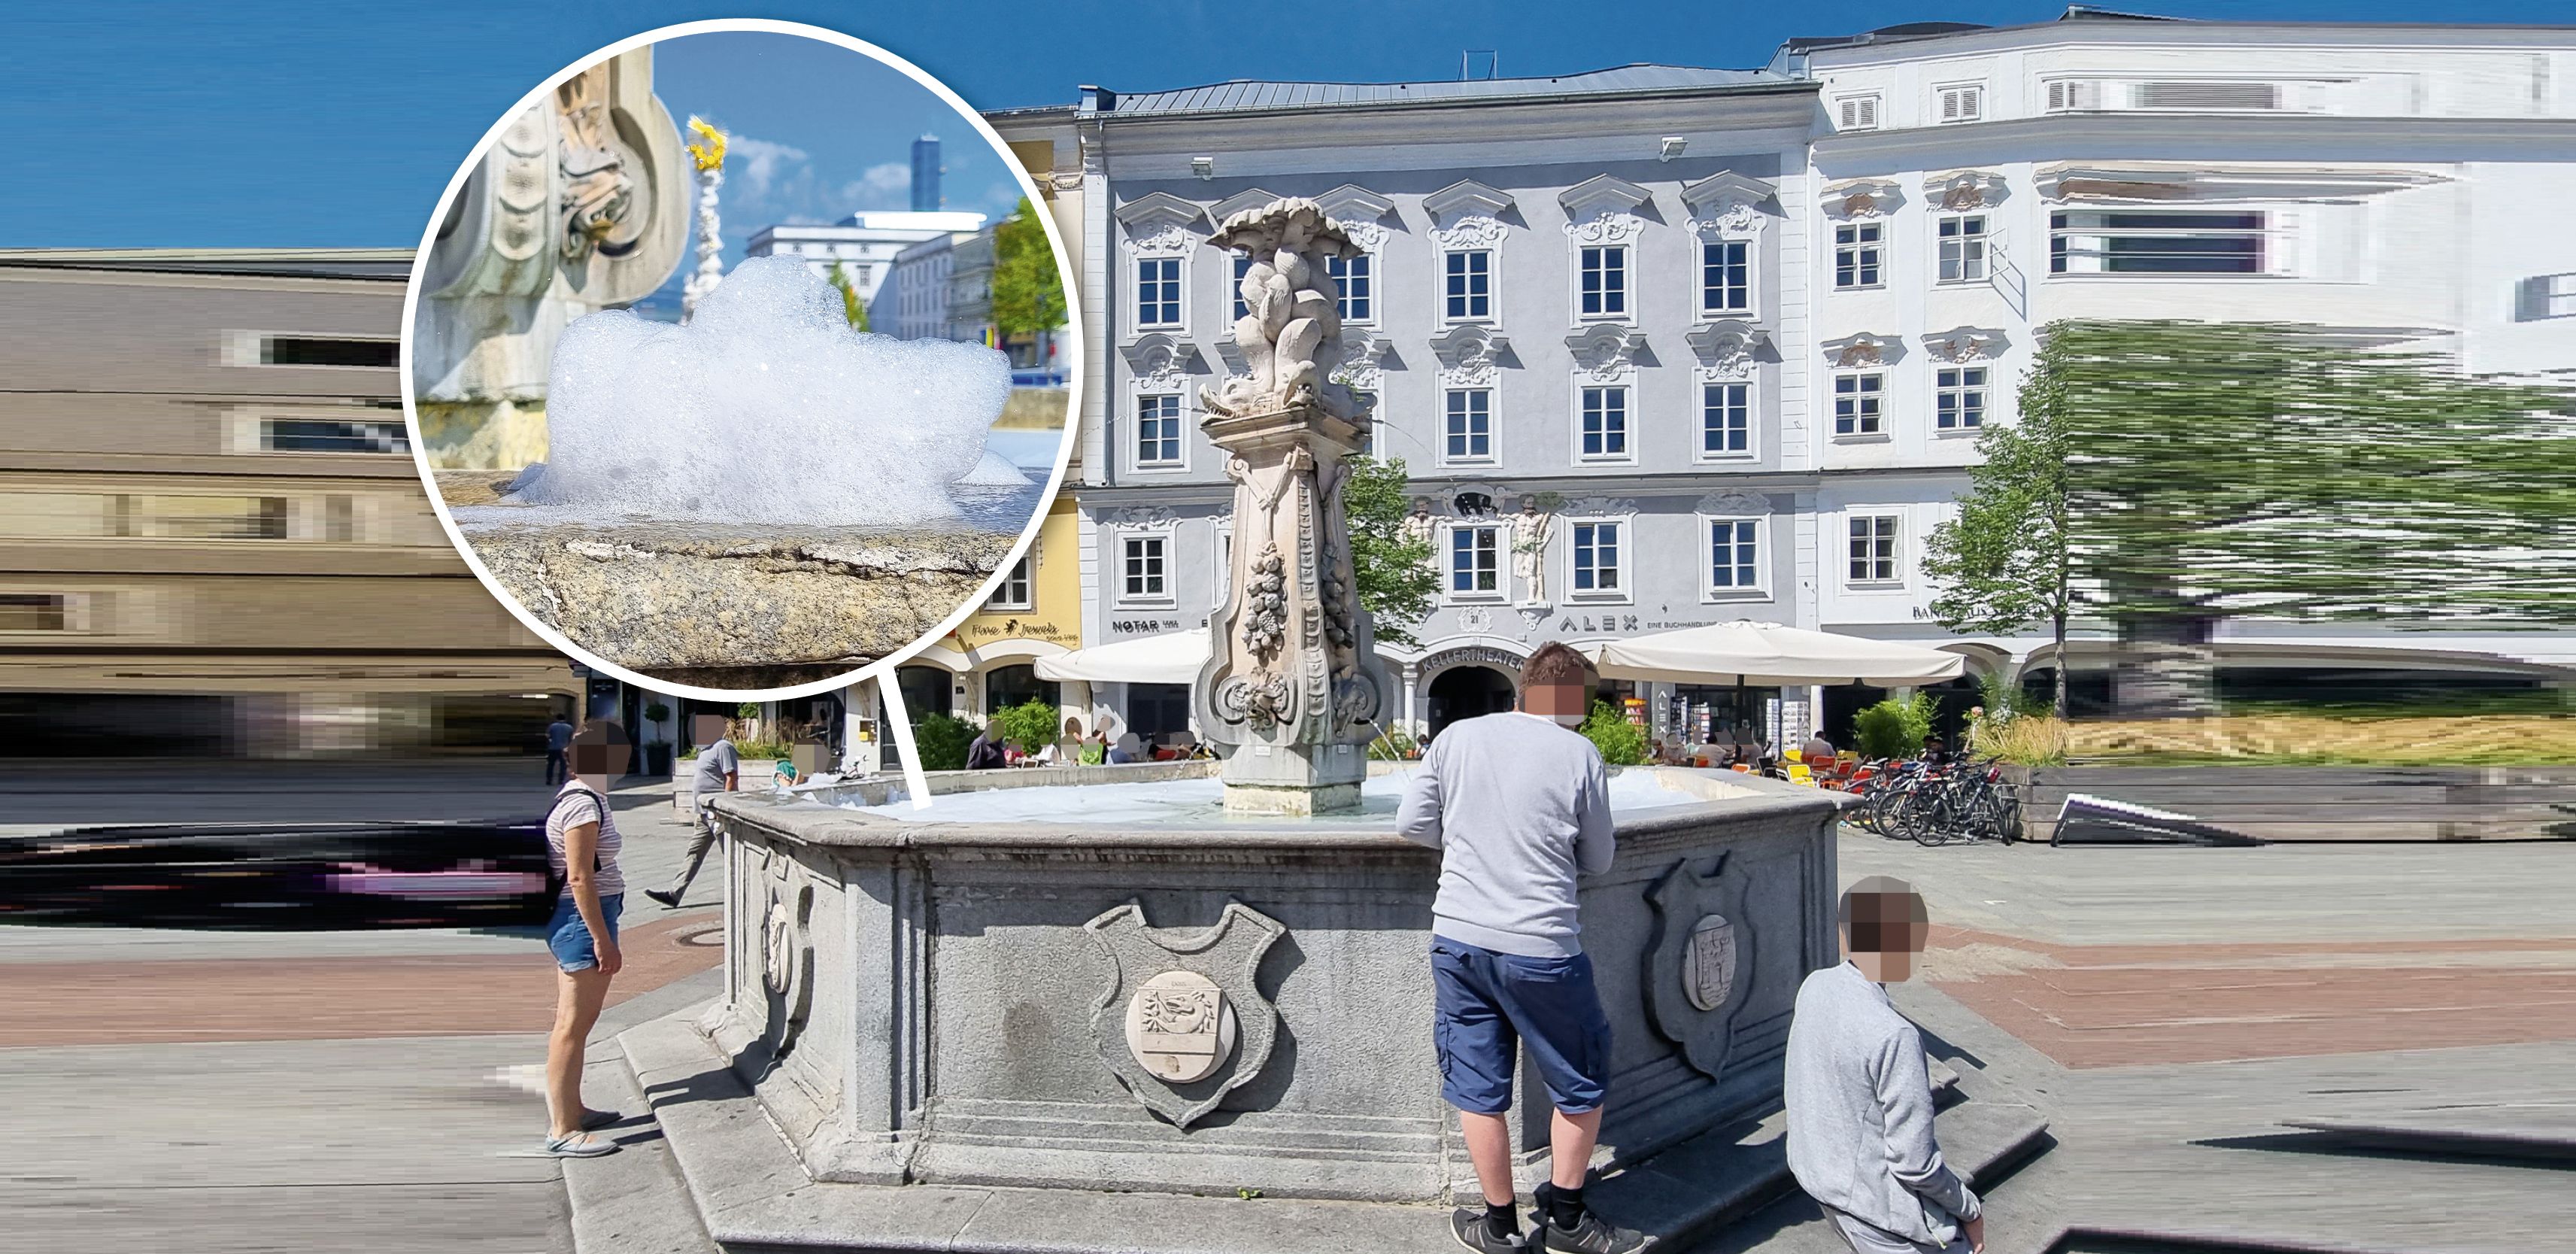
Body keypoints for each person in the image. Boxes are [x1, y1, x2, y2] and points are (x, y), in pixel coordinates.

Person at [1394, 642, 1650, 1254]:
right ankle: (1567, 1220)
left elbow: (1410, 825)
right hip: (1540, 943)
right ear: (1571, 698)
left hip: (1458, 936)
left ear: (1523, 686)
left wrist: (1468, 841)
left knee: (1477, 1086)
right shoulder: (1577, 752)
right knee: (1580, 1079)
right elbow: (1599, 857)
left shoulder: (1456, 737)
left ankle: (1499, 1224)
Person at [1786, 876, 1984, 1254]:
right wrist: (1969, 1210)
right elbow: (1916, 1165)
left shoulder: (1816, 985)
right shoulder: (1896, 1036)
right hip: (1880, 1214)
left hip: (1822, 1183)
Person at [537, 720, 631, 1157]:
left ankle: (574, 1108)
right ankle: (563, 1130)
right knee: (571, 1026)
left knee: (578, 1023)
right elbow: (579, 878)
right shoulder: (582, 805)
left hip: (583, 915)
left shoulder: (587, 797)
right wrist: (602, 940)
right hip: (581, 918)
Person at [645, 715, 737, 909]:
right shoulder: (704, 750)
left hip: (717, 813)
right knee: (694, 853)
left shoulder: (723, 747)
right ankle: (674, 893)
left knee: (732, 855)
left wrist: (725, 808)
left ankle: (741, 893)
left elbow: (731, 778)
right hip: (703, 815)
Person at [543, 712, 574, 786]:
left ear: (557, 719)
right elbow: (571, 739)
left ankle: (549, 780)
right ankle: (561, 780)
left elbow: (548, 736)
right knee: (563, 765)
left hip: (553, 748)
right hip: (564, 748)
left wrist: (551, 741)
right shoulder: (569, 727)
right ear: (565, 719)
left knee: (551, 765)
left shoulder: (552, 726)